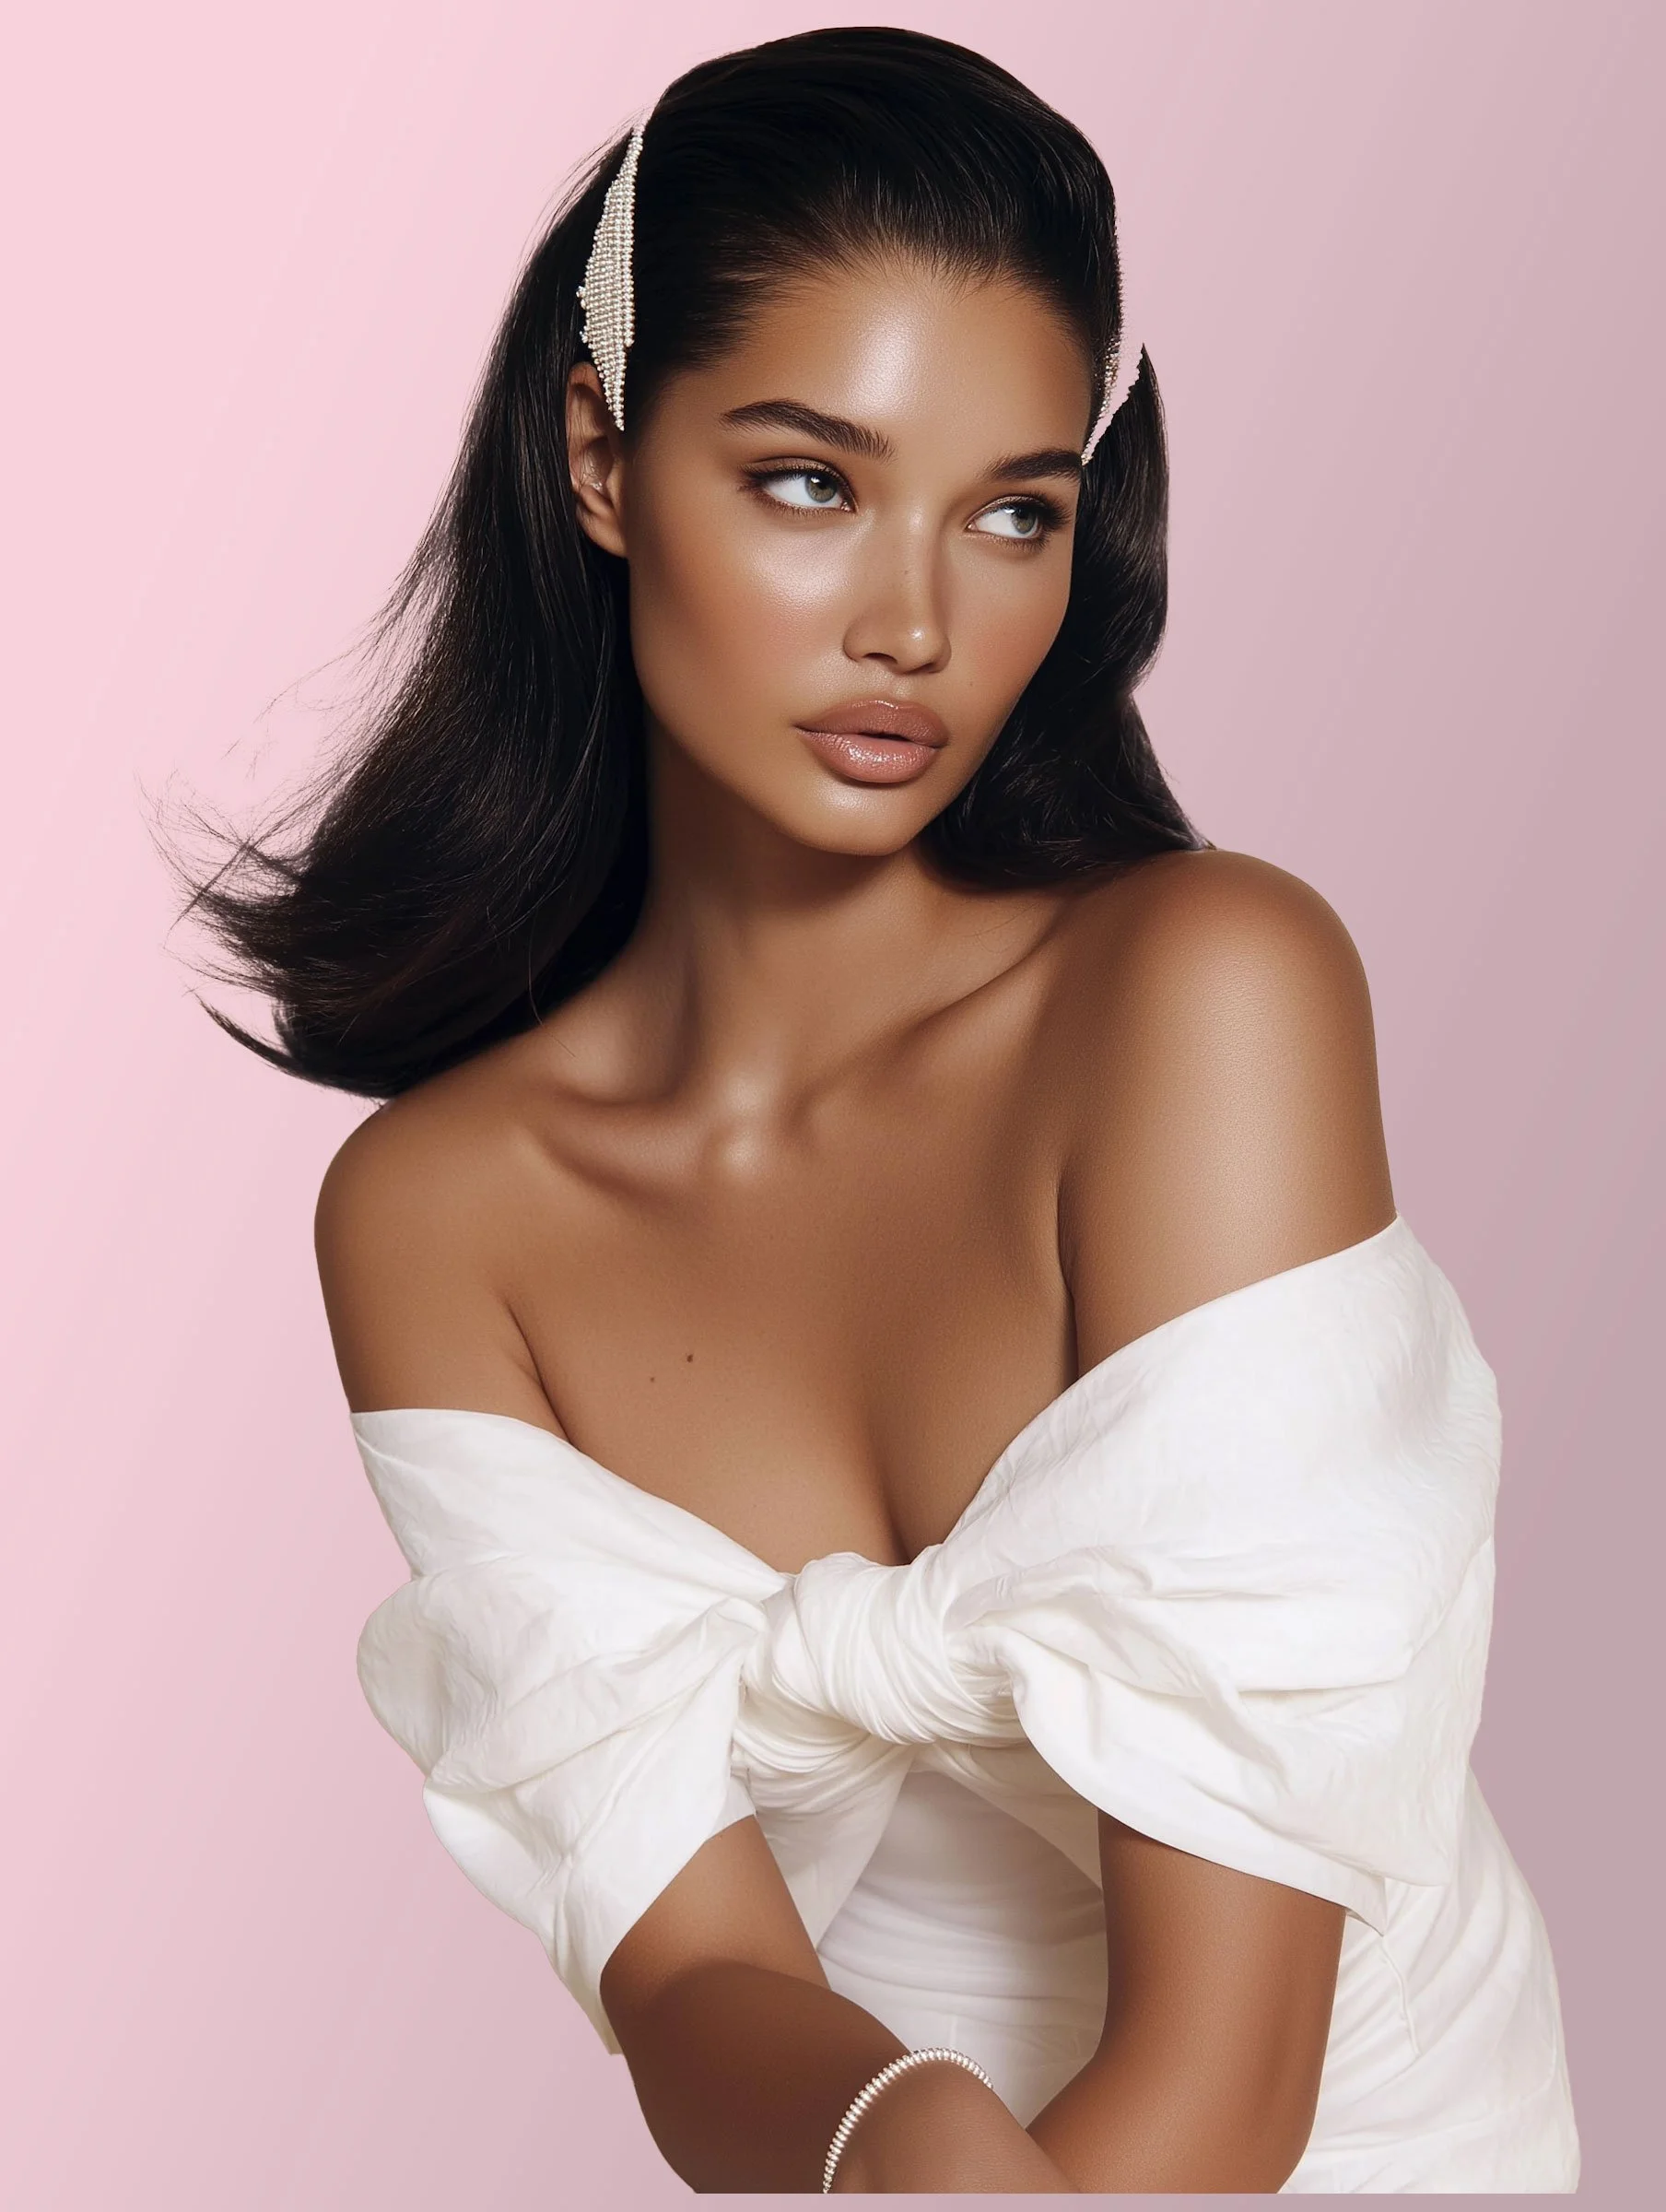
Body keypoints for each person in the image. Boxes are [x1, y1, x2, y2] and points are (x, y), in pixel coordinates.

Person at [177, 26, 1578, 2195]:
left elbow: (1227, 2086)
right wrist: (889, 2125)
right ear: (603, 457)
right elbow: (689, 1988)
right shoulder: (437, 1219)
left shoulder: (1204, 996)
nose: (916, 624)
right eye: (810, 484)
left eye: (1012, 514)